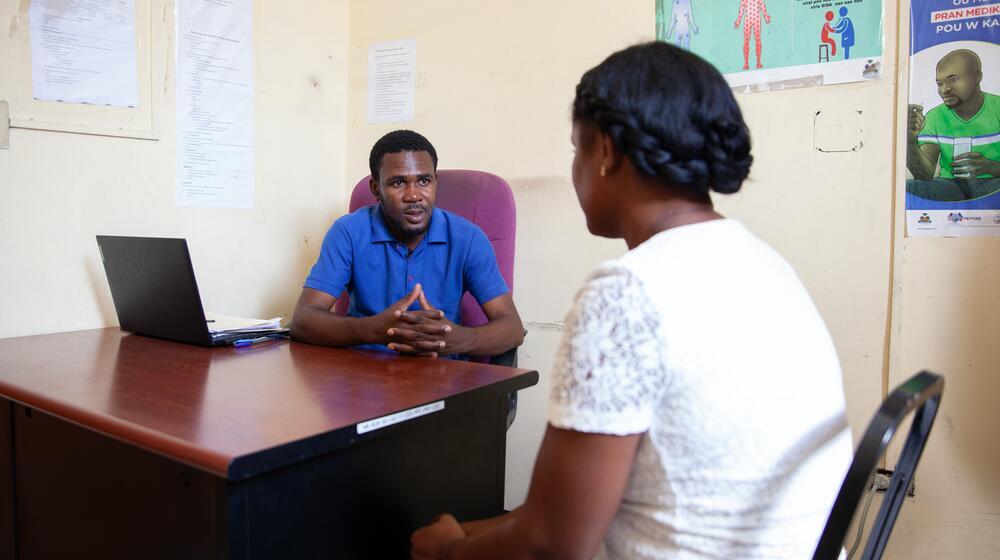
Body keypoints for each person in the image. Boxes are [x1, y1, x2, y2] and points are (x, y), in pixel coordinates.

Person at [411, 42, 852, 560]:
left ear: (607, 152)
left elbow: (552, 546)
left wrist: (446, 551)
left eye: (577, 148)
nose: (575, 167)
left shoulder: (627, 292)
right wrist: (470, 533)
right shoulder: (761, 262)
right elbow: (565, 514)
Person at [290, 130, 524, 360]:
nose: (413, 195)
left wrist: (455, 339)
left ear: (435, 182)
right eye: (398, 182)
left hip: (443, 380)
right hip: (363, 380)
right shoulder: (348, 233)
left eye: (424, 181)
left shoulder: (468, 237)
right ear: (376, 188)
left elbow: (512, 328)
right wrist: (373, 330)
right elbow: (303, 320)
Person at [907, 49, 1000, 201]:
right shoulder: (935, 116)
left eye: (954, 79)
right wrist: (910, 140)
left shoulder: (997, 108)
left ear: (977, 77)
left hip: (994, 183)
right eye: (940, 83)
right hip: (950, 185)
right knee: (910, 188)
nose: (944, 89)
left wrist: (990, 166)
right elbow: (923, 175)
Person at [735, 0, 771, 70]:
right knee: (746, 41)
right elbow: (742, 9)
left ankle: (758, 62)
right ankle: (746, 63)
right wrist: (738, 21)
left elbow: (762, 6)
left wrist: (766, 16)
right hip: (747, 19)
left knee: (757, 40)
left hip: (756, 19)